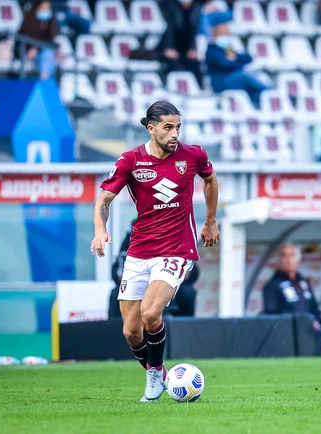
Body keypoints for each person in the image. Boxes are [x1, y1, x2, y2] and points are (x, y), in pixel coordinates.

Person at [90, 100, 219, 402]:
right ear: (151, 128)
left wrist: (211, 221)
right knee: (131, 331)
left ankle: (153, 372)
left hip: (177, 248)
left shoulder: (194, 155)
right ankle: (160, 375)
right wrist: (100, 230)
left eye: (178, 127)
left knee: (151, 312)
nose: (175, 134)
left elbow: (210, 180)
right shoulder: (130, 161)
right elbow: (103, 201)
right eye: (168, 127)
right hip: (139, 250)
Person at [263, 244, 321, 355]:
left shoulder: (303, 282)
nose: (288, 260)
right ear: (278, 260)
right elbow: (272, 314)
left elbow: (314, 307)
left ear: (298, 259)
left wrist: (315, 321)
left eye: (292, 255)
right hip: (287, 337)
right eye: (284, 256)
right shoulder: (272, 285)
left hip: (309, 335)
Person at [205, 22, 270, 106]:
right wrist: (237, 60)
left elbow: (247, 58)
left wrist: (235, 59)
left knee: (254, 88)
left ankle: (264, 103)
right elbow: (225, 63)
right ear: (215, 35)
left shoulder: (227, 48)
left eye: (226, 34)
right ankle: (270, 92)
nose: (225, 36)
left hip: (234, 80)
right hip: (222, 83)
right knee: (244, 76)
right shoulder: (212, 51)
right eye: (222, 34)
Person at [157, 0, 204, 88]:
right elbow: (169, 28)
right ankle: (169, 87)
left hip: (187, 47)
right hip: (170, 46)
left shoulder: (197, 7)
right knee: (173, 63)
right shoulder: (170, 6)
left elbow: (195, 30)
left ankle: (199, 89)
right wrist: (169, 47)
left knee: (195, 63)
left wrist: (193, 48)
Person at [17, 0, 59, 80]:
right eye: (42, 8)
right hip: (26, 50)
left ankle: (45, 80)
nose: (45, 10)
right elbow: (23, 38)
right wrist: (33, 49)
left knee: (48, 54)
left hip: (42, 51)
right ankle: (43, 81)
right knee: (46, 54)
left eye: (48, 8)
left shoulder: (50, 21)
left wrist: (37, 48)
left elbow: (51, 38)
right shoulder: (29, 20)